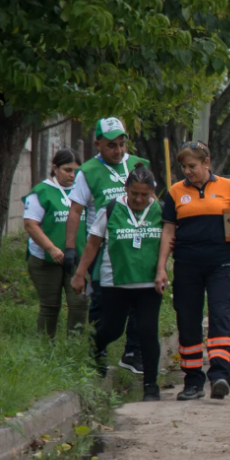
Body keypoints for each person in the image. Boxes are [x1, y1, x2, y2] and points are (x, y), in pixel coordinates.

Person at [155, 141, 230, 401]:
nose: (187, 172)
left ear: (206, 163)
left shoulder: (228, 187)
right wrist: (161, 268)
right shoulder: (175, 192)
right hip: (187, 266)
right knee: (188, 321)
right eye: (183, 167)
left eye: (192, 166)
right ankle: (192, 382)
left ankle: (219, 376)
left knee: (220, 316)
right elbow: (168, 231)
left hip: (221, 265)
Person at [70, 165, 164, 401]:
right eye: (134, 194)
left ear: (152, 192)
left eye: (144, 195)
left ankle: (151, 386)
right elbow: (93, 243)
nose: (139, 199)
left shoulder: (160, 211)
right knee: (112, 329)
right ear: (126, 189)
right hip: (115, 282)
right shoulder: (111, 208)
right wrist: (80, 274)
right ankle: (96, 347)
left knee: (147, 331)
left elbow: (170, 241)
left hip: (149, 283)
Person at [65, 117, 149, 374]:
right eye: (111, 145)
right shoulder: (88, 172)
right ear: (98, 144)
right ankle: (97, 349)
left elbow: (152, 201)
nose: (118, 150)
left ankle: (133, 352)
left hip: (137, 246)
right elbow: (76, 211)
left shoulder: (138, 165)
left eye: (122, 144)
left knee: (140, 301)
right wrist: (70, 248)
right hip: (104, 248)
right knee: (103, 304)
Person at [23, 150, 89, 337]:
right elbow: (30, 225)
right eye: (67, 170)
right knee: (50, 306)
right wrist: (51, 249)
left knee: (79, 303)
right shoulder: (41, 191)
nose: (72, 175)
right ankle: (46, 345)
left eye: (76, 171)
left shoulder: (83, 190)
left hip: (77, 258)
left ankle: (73, 346)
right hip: (45, 260)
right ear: (55, 168)